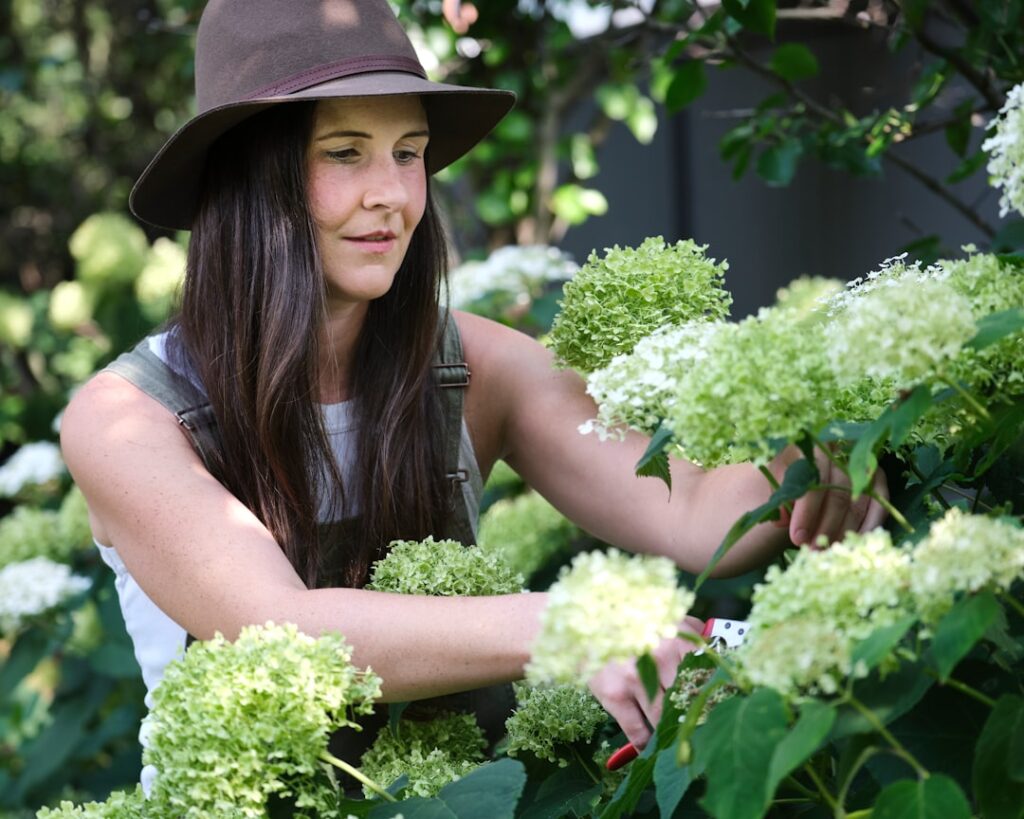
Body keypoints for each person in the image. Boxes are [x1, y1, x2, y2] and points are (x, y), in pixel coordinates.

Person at [59, 0, 885, 775]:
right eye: (344, 153)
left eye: (409, 153)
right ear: (249, 179)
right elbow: (284, 632)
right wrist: (574, 622)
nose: (392, 194)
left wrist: (820, 459)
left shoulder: (480, 368)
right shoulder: (127, 420)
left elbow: (700, 511)